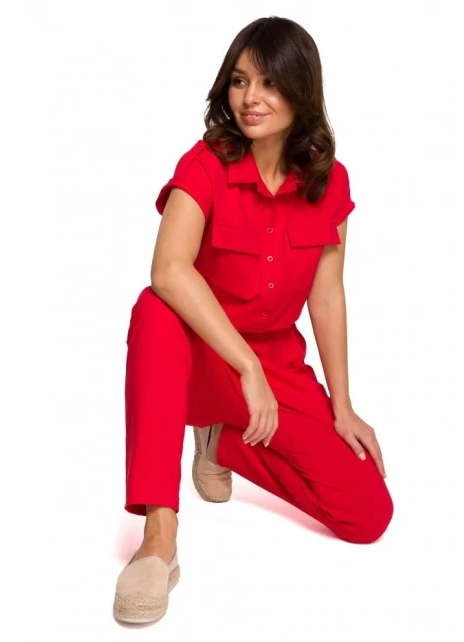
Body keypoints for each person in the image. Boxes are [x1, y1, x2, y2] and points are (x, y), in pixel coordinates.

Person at [113, 16, 394, 625]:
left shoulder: (329, 181)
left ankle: (222, 442)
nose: (250, 98)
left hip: (274, 365)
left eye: (269, 82)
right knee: (154, 309)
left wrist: (343, 406)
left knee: (368, 514)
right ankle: (159, 539)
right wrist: (244, 365)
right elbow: (168, 269)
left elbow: (327, 296)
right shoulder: (206, 163)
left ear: (301, 90)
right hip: (197, 354)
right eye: (240, 81)